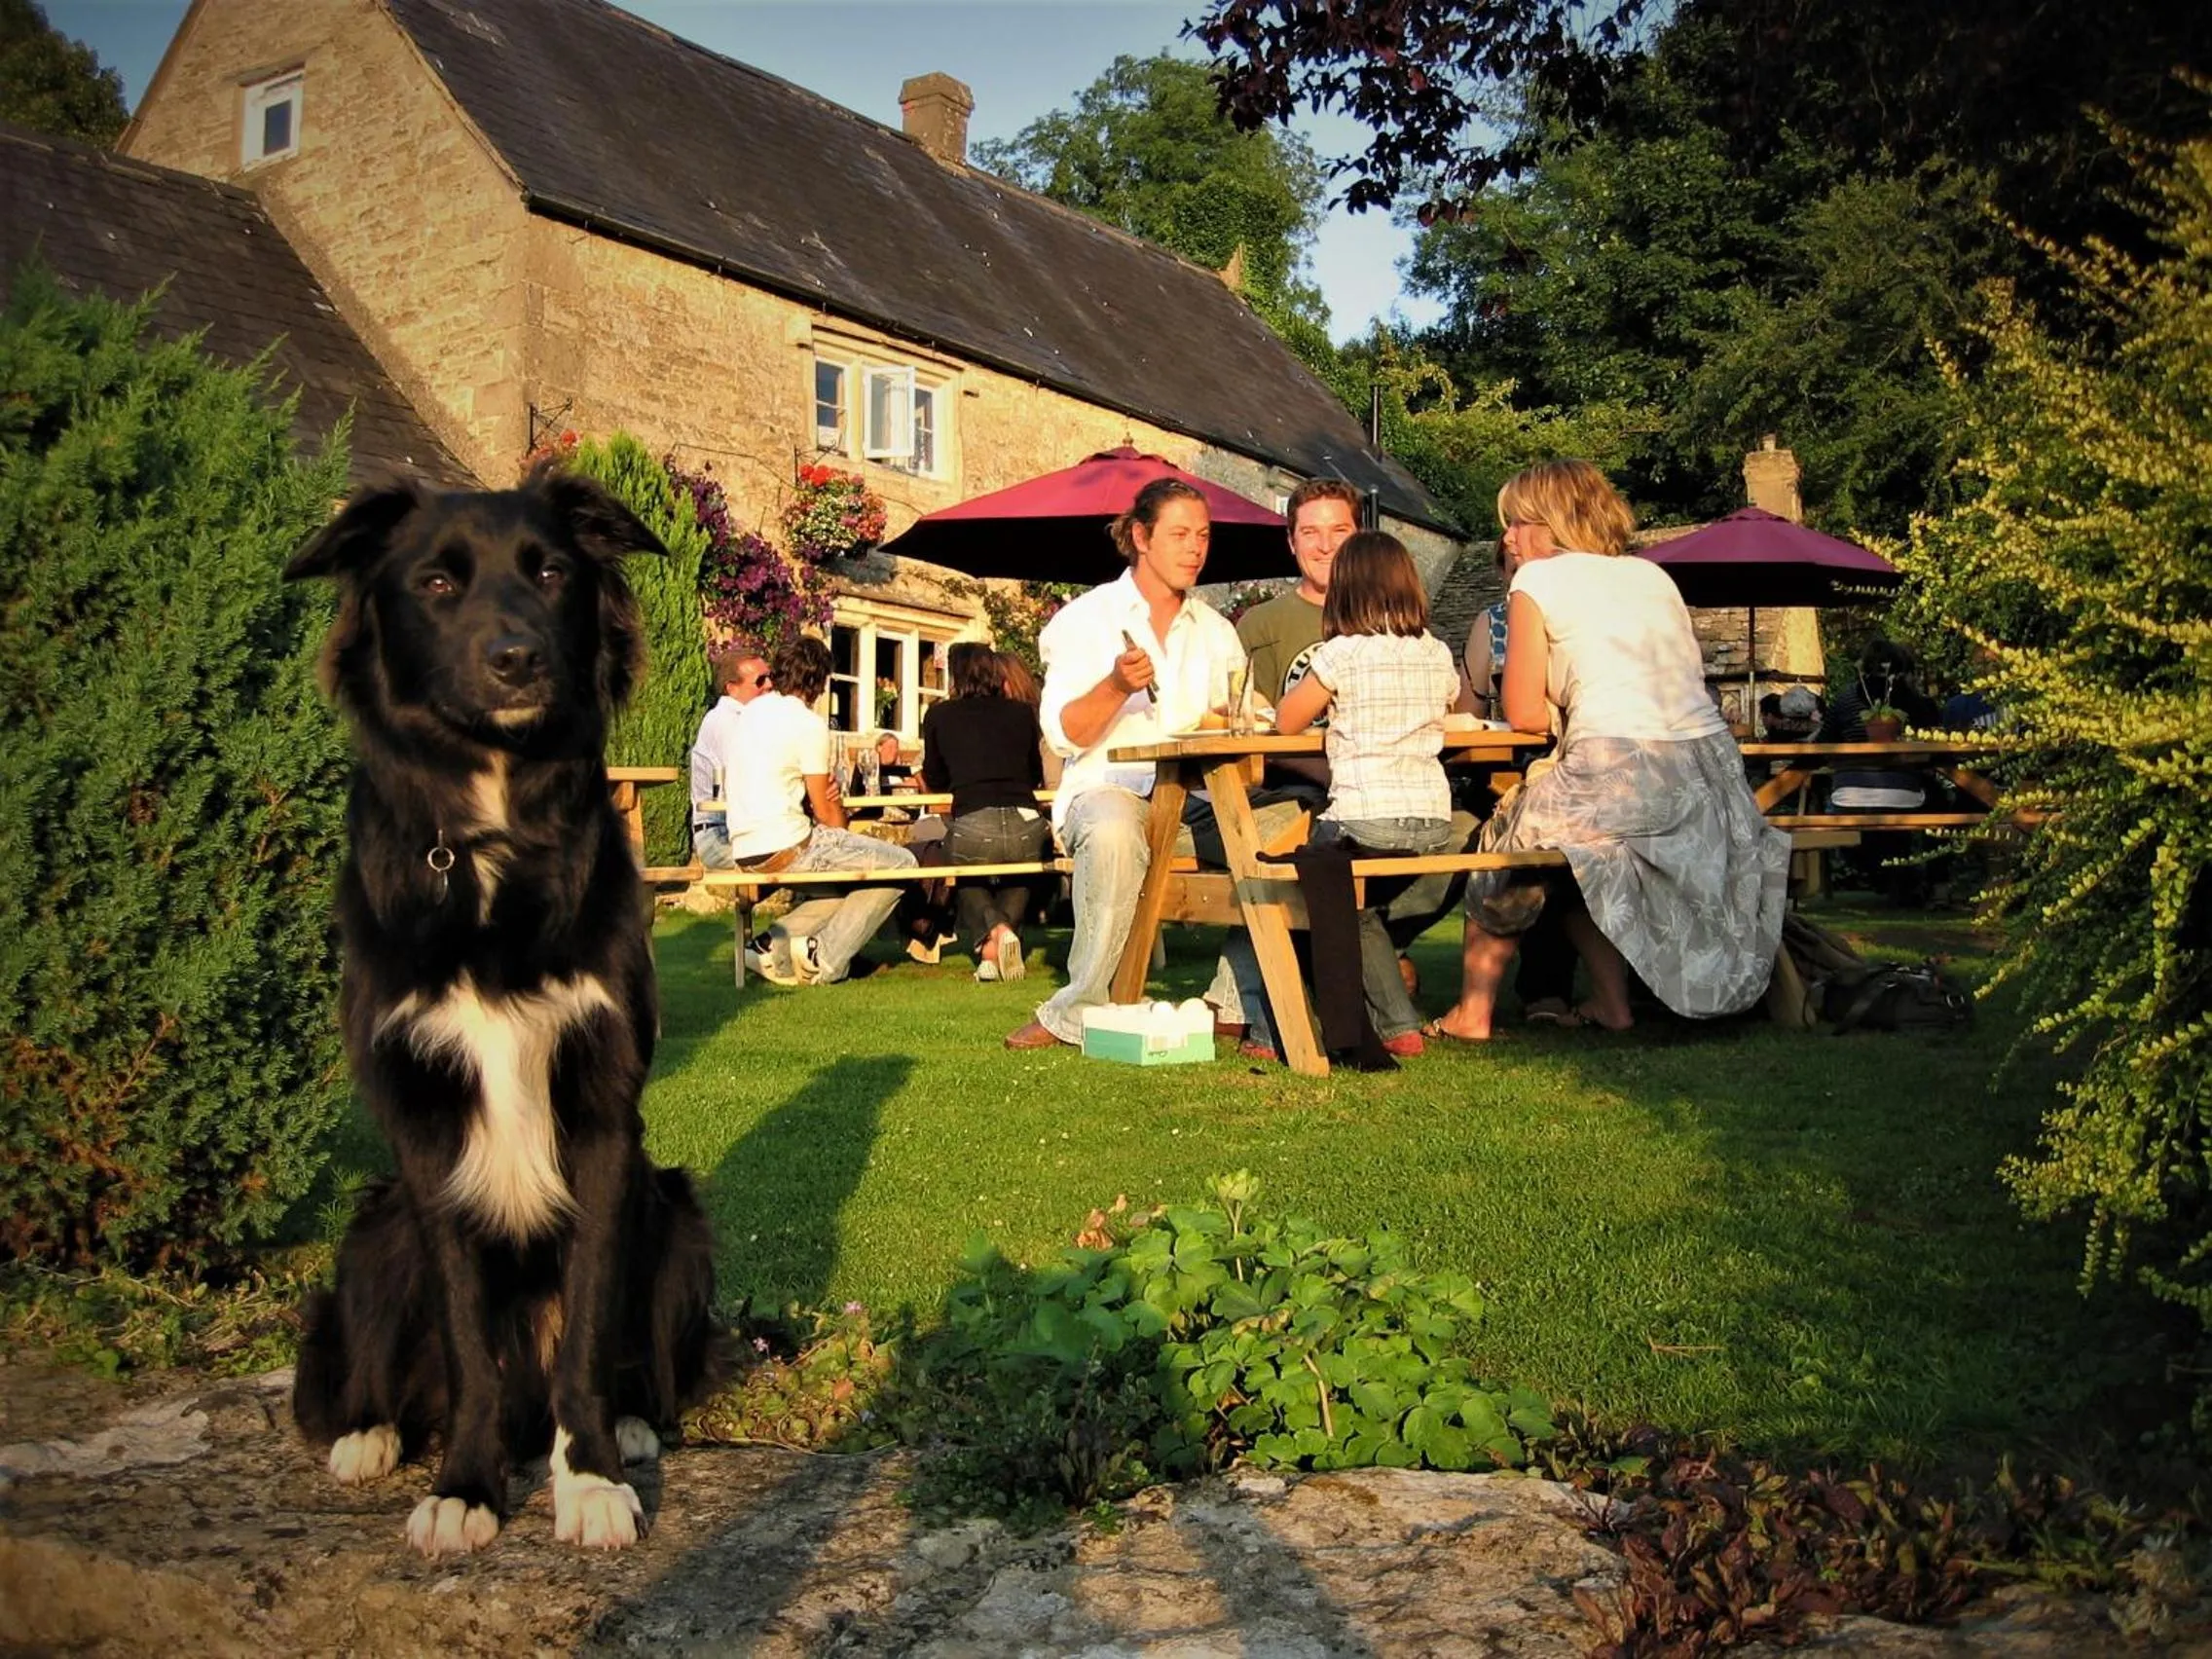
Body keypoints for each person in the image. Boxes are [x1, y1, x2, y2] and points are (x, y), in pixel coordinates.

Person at [1429, 460, 1790, 1040]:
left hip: (1614, 767)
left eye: (1518, 523)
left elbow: (1522, 712)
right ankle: (1611, 1003)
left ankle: (1473, 1013)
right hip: (1707, 773)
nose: (1508, 538)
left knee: (1506, 853)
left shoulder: (1537, 580)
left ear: (1553, 523)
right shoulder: (1652, 577)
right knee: (1582, 862)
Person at [1003, 478, 1245, 1051]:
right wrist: (1115, 685)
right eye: (1180, 535)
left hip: (1198, 799)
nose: (1196, 548)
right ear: (1140, 537)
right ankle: (1076, 1012)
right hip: (1112, 787)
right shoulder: (1086, 619)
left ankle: (1236, 1000)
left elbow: (1239, 716)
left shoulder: (1216, 632)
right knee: (1112, 829)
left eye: (1203, 536)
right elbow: (1065, 735)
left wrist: (1235, 719)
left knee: (1290, 835)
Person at [1267, 531, 1460, 1057]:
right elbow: (1453, 704)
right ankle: (1399, 1027)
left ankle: (1271, 1025)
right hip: (1432, 818)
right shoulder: (1435, 651)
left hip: (1365, 815)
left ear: (1346, 591)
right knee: (1362, 905)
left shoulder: (1342, 653)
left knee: (1305, 881)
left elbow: (1286, 721)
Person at [722, 635, 916, 985]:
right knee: (903, 864)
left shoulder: (749, 714)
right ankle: (825, 958)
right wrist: (837, 807)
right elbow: (829, 817)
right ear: (819, 681)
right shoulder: (808, 724)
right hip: (787, 844)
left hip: (745, 847)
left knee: (847, 886)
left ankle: (770, 945)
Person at [920, 643, 1050, 981]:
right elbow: (1034, 774)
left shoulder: (939, 715)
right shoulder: (1022, 714)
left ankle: (995, 929)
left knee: (963, 872)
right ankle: (993, 952)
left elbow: (935, 778)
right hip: (1025, 820)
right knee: (1021, 872)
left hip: (973, 821)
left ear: (956, 674)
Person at [690, 645, 770, 869]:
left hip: (745, 831)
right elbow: (749, 780)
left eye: (769, 677)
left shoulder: (754, 719)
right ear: (732, 688)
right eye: (760, 681)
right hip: (720, 835)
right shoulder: (725, 722)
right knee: (800, 859)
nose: (769, 685)